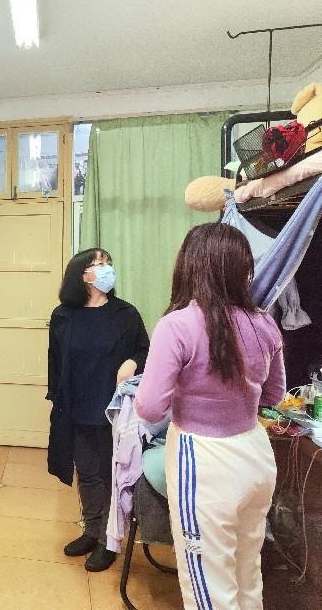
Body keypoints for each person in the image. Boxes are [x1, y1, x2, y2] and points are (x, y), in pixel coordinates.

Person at [135, 223, 285, 609]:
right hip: (255, 456)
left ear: (189, 266)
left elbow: (149, 408)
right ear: (242, 270)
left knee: (208, 586)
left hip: (203, 461)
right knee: (247, 571)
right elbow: (274, 396)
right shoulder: (264, 322)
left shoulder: (177, 325)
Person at [46, 247, 149, 572]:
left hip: (114, 410)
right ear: (82, 274)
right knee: (88, 473)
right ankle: (92, 531)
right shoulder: (63, 315)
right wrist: (55, 399)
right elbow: (54, 360)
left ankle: (109, 540)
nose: (106, 269)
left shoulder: (126, 314)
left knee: (111, 476)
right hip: (76, 408)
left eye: (108, 263)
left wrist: (133, 362)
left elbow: (146, 351)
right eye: (98, 264)